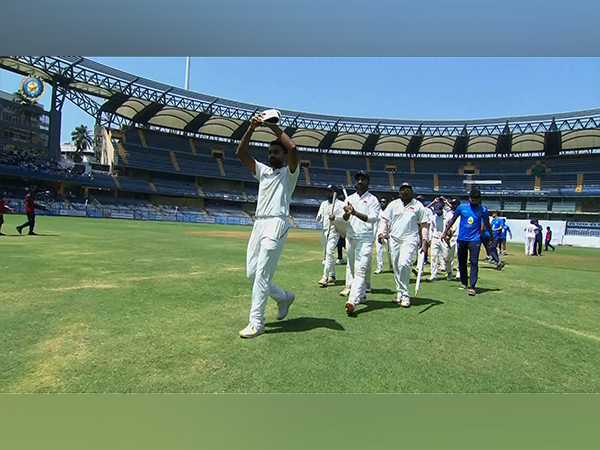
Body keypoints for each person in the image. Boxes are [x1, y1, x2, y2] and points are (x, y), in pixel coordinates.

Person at [235, 112, 299, 339]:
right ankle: (283, 297)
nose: (272, 155)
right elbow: (241, 153)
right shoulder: (263, 171)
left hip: (276, 222)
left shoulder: (289, 174)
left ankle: (256, 322)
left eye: (276, 152)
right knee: (252, 273)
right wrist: (252, 128)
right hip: (259, 223)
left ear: (282, 156)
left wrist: (271, 126)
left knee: (262, 274)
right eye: (270, 152)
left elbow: (293, 149)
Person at [378, 182, 428, 307]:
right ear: (399, 192)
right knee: (396, 266)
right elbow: (385, 220)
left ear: (411, 192)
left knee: (404, 264)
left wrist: (424, 240)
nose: (405, 192)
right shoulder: (393, 205)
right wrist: (381, 233)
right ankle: (399, 292)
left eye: (408, 189)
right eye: (403, 189)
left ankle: (406, 295)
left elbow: (423, 224)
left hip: (409, 238)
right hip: (394, 238)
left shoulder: (418, 206)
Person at [341, 170, 381, 315]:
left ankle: (353, 300)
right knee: (352, 268)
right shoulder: (350, 198)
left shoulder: (372, 200)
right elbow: (345, 218)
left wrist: (355, 212)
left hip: (365, 238)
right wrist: (347, 213)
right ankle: (362, 295)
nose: (359, 181)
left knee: (360, 269)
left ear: (367, 182)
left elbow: (373, 219)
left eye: (362, 179)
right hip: (351, 237)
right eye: (357, 179)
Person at [441, 188, 494, 297]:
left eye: (476, 200)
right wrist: (445, 232)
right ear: (469, 198)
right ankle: (464, 283)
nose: (473, 202)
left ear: (479, 200)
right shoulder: (462, 208)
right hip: (462, 239)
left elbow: (487, 223)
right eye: (472, 200)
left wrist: (491, 236)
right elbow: (452, 220)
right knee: (461, 261)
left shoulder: (483, 210)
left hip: (475, 240)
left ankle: (472, 287)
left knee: (474, 262)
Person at [317, 185, 346, 287]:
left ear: (335, 193)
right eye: (327, 191)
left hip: (335, 231)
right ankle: (332, 275)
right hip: (325, 231)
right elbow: (319, 217)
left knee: (329, 252)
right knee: (326, 253)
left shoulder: (341, 204)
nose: (328, 193)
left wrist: (335, 218)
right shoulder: (323, 204)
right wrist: (319, 217)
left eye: (330, 191)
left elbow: (344, 219)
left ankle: (324, 277)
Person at [426, 197, 446, 281]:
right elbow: (431, 228)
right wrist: (430, 239)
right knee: (434, 256)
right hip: (435, 237)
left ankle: (449, 273)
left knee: (447, 256)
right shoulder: (434, 216)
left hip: (444, 238)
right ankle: (433, 275)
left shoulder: (447, 215)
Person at [374, 197, 393, 274]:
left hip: (389, 236)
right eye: (381, 202)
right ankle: (379, 268)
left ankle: (392, 266)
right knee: (379, 252)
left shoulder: (389, 212)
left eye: (384, 202)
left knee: (390, 253)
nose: (382, 203)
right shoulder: (378, 213)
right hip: (379, 235)